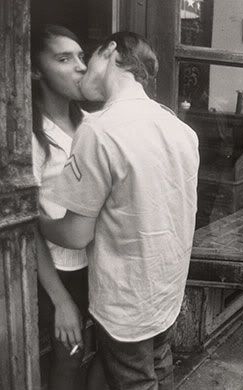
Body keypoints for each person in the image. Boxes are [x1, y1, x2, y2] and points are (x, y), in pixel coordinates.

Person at [39, 31, 200, 390]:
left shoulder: (98, 130)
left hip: (126, 306)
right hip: (165, 297)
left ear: (111, 51)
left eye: (87, 57)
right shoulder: (181, 129)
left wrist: (38, 221)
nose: (81, 70)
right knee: (158, 369)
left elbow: (77, 234)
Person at [31, 24, 106, 390]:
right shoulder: (30, 136)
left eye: (81, 57)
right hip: (58, 270)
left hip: (102, 262)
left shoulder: (92, 126)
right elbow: (26, 226)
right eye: (64, 58)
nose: (80, 66)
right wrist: (60, 299)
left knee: (108, 356)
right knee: (69, 356)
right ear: (35, 70)